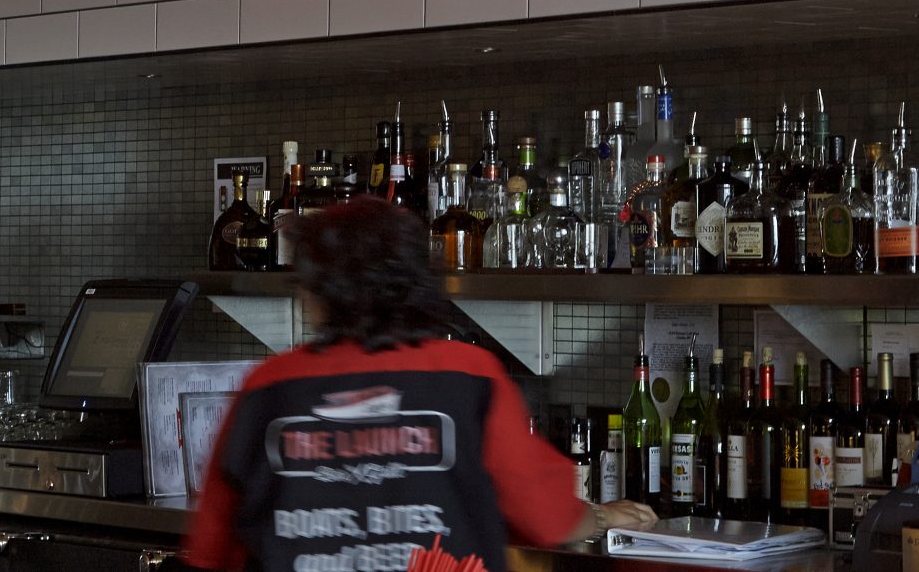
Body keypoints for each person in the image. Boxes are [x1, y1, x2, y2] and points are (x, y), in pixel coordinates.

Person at [182, 198, 655, 572]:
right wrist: (602, 517)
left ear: (320, 291)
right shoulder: (468, 375)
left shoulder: (269, 386)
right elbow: (544, 513)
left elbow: (211, 547)